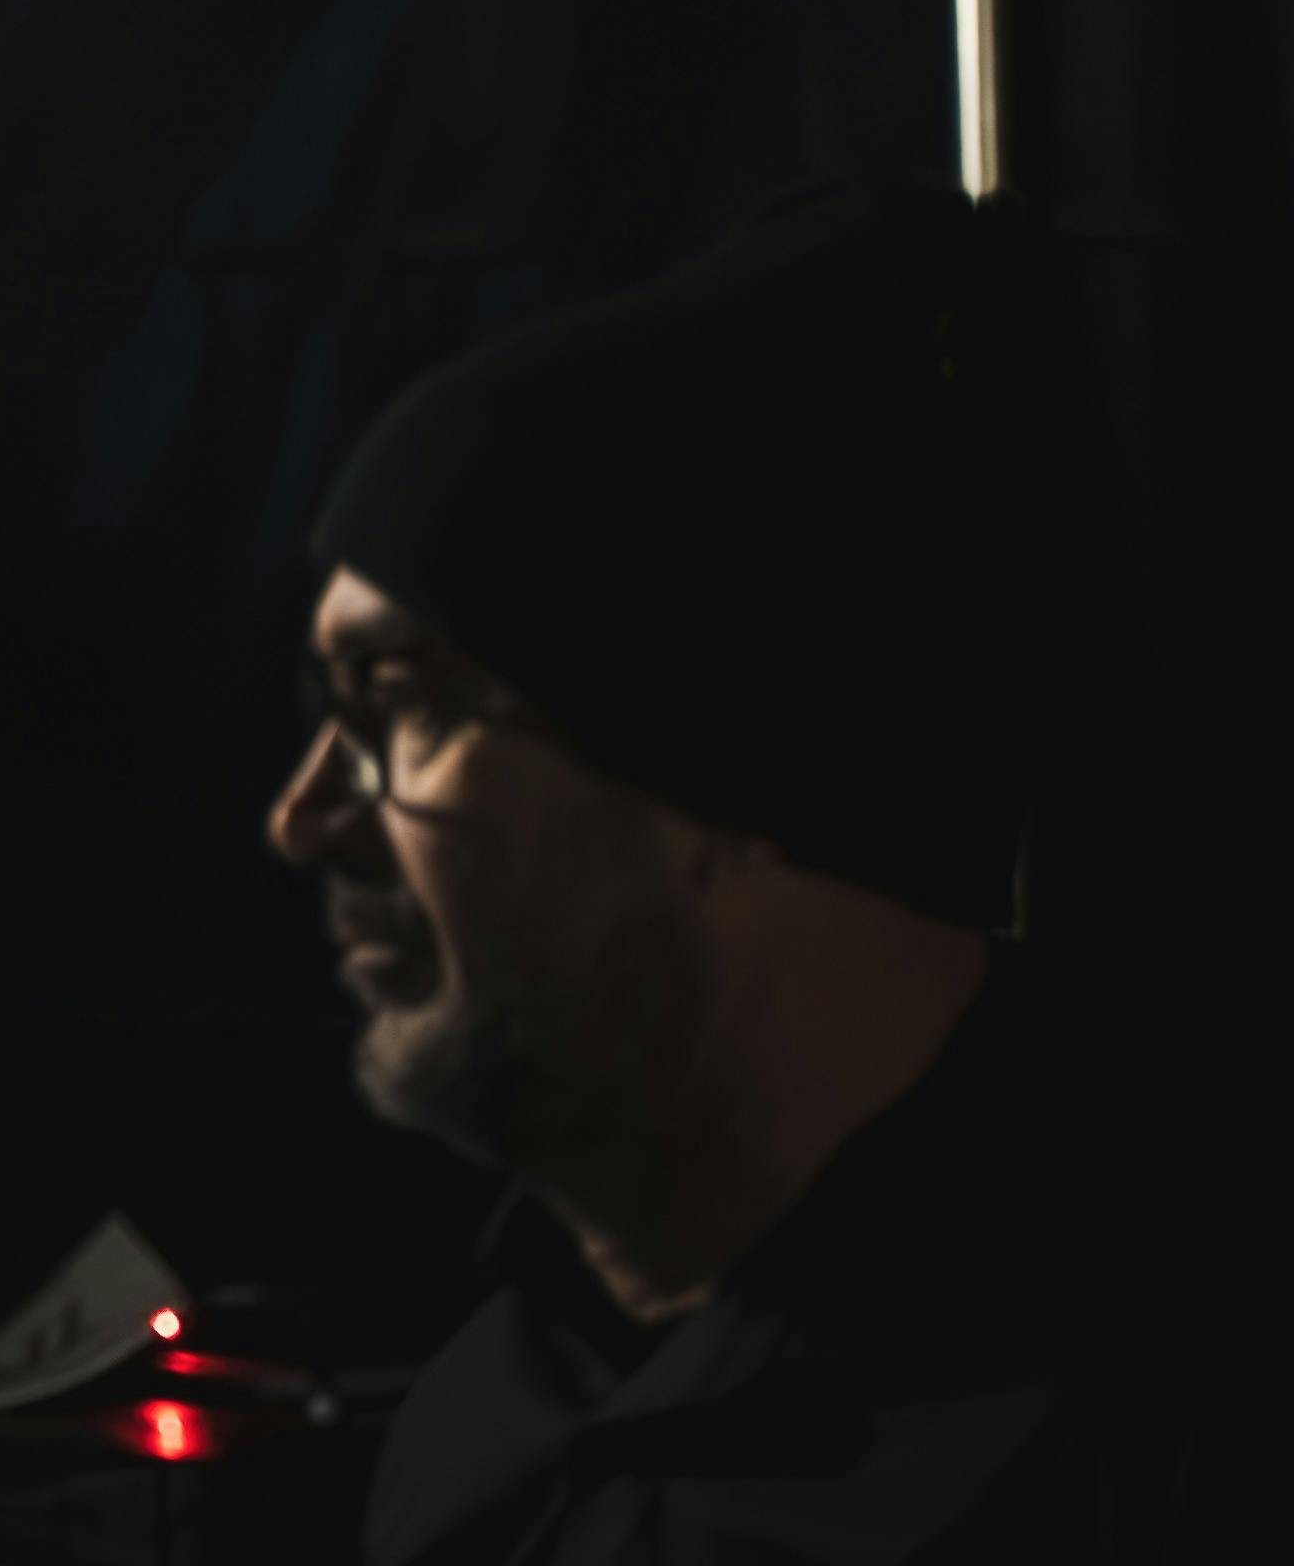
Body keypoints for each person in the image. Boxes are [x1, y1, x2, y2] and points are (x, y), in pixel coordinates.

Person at [268, 184, 1194, 1561]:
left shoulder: (1142, 1431)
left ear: (714, 782)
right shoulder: (477, 1427)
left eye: (401, 704)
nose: (304, 820)